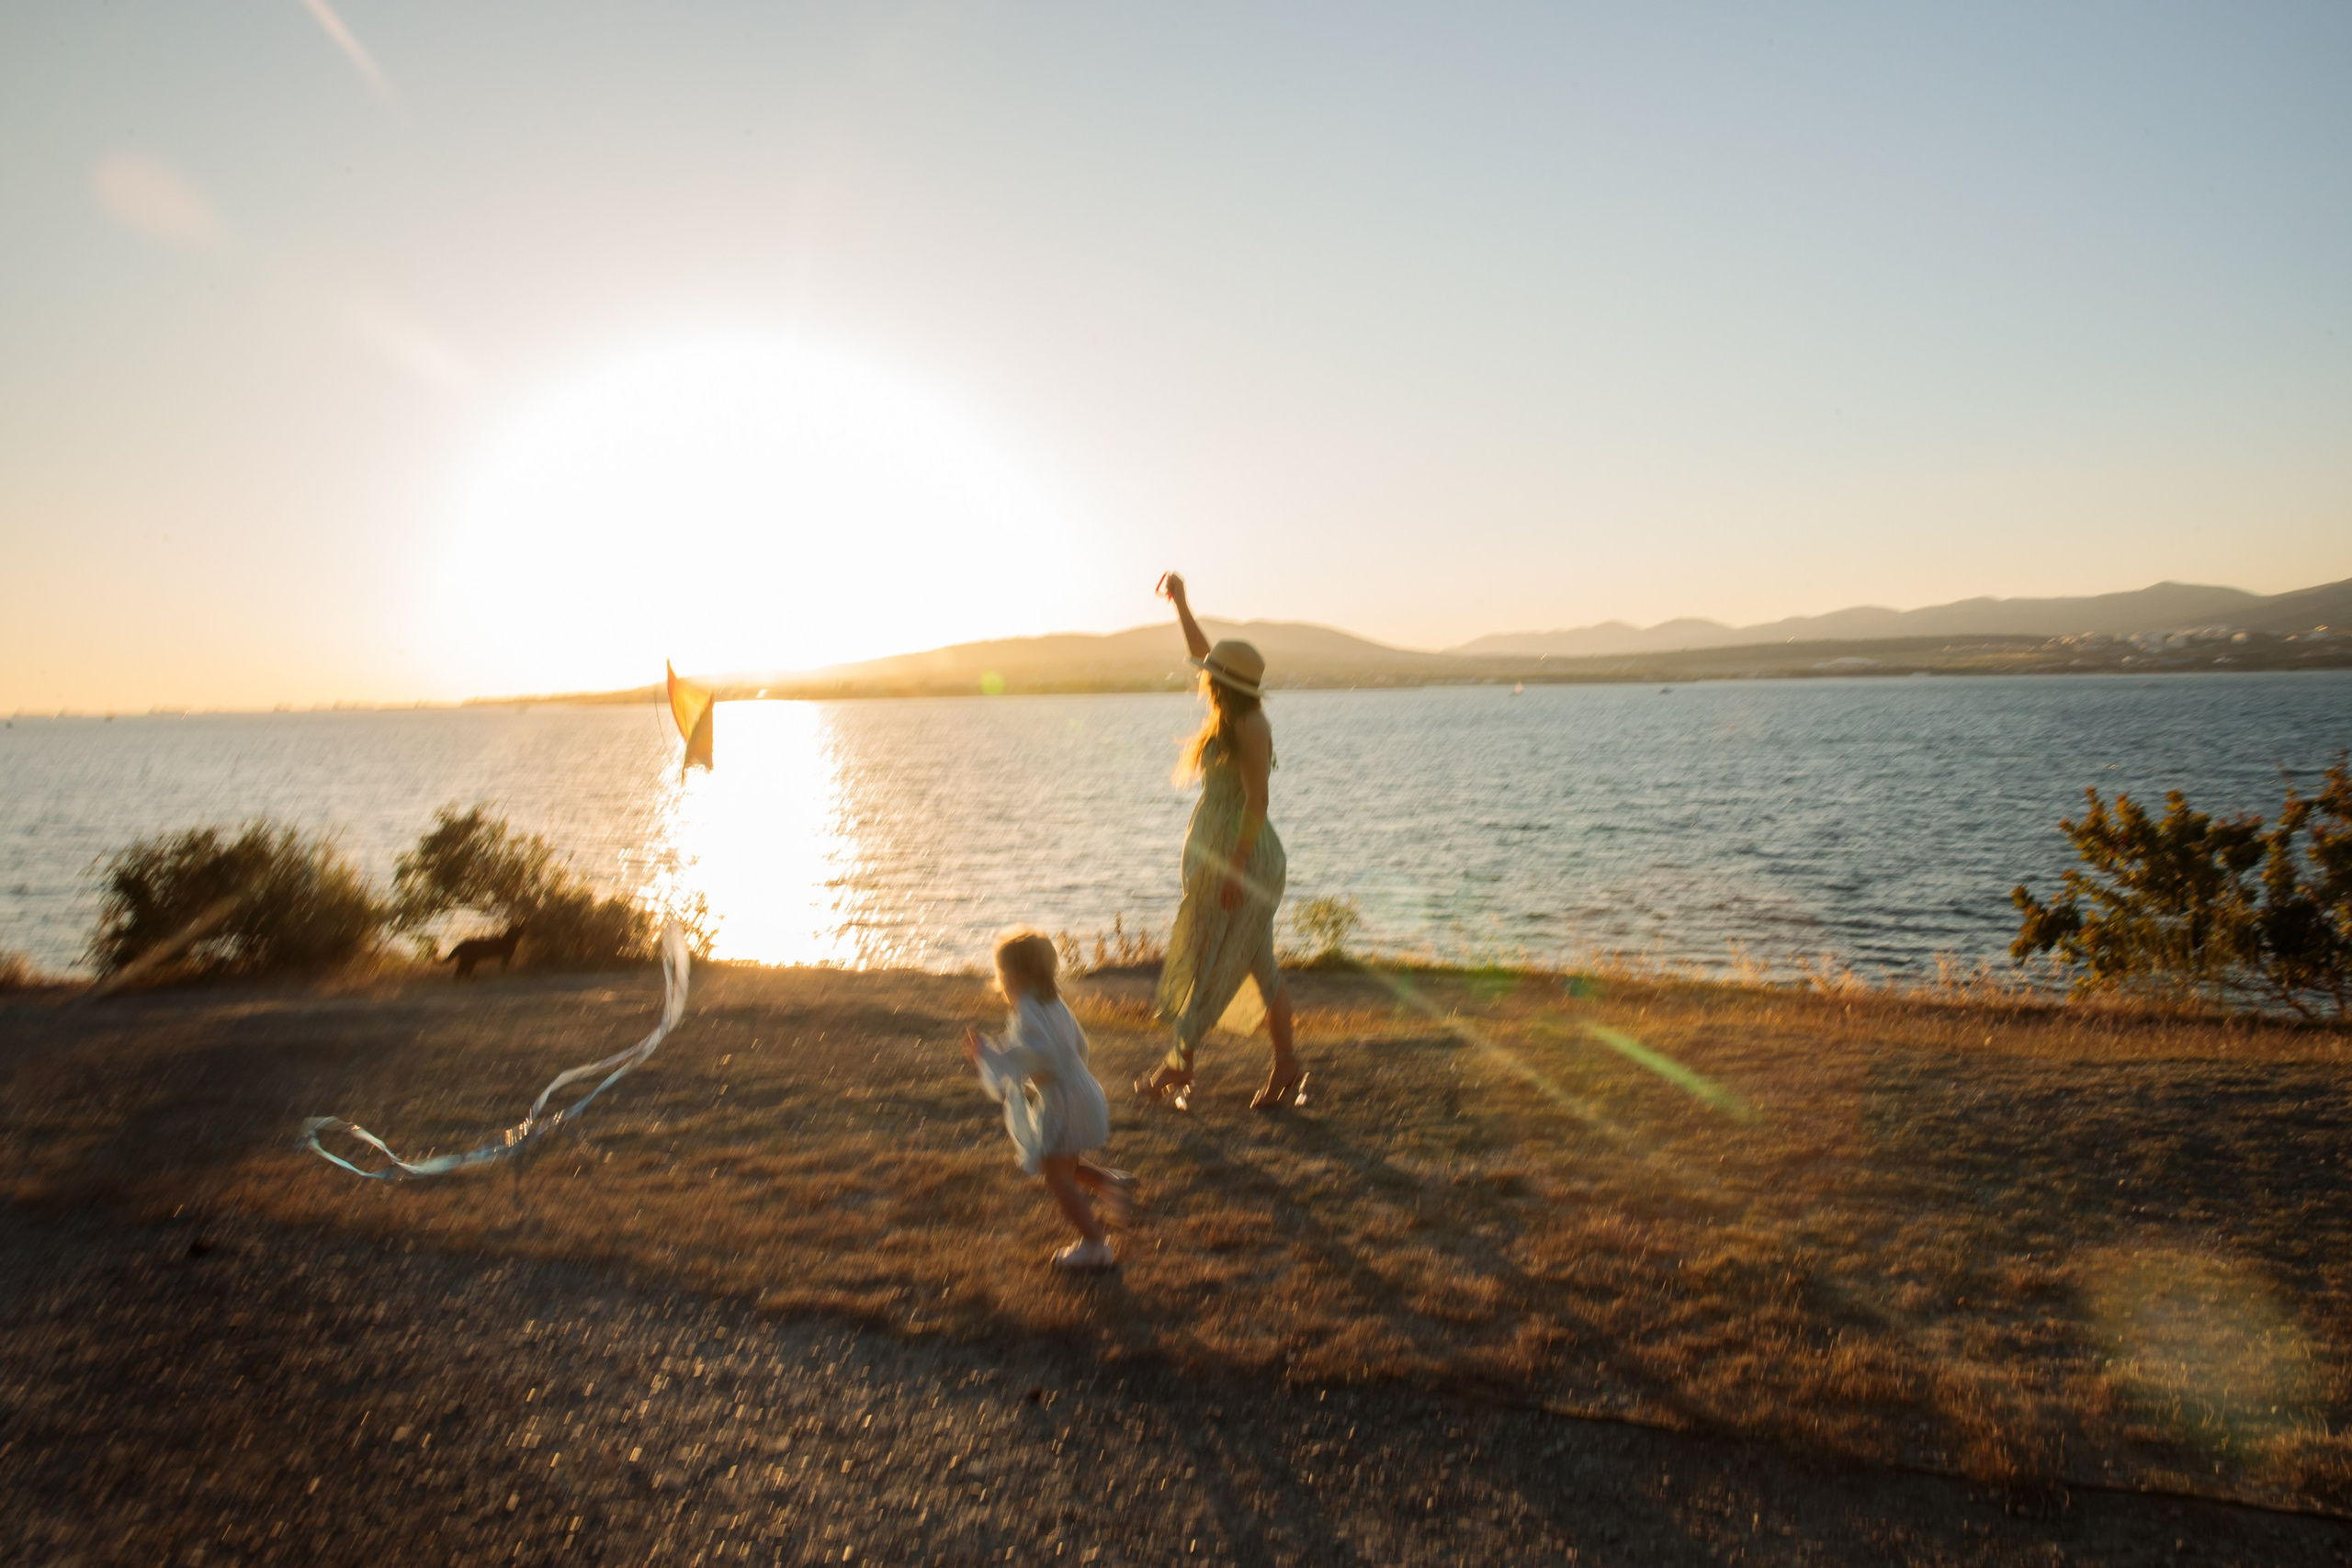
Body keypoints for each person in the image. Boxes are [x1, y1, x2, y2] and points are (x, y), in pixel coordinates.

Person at [1136, 572, 1306, 1111]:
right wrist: (1181, 604)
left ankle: (1178, 1066)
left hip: (1244, 857)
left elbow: (1257, 801)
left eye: (1211, 677)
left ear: (1225, 685)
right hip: (1219, 854)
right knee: (1255, 961)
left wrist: (1234, 867)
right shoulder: (1227, 712)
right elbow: (1201, 653)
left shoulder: (1251, 726)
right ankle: (1284, 1067)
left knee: (1215, 954)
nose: (1202, 678)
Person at [963, 928, 1134, 1271]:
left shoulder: (1027, 1008)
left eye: (1004, 977)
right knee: (1055, 1162)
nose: (1003, 986)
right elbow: (1079, 1046)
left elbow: (1035, 1054)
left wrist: (989, 1056)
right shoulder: (1054, 1003)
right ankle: (1109, 1183)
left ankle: (1096, 1247)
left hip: (1064, 1100)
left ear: (1016, 976)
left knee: (1057, 1177)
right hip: (1084, 1089)